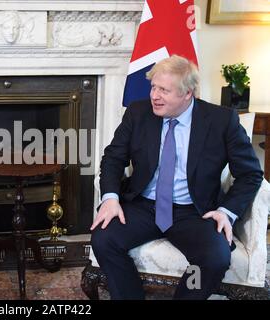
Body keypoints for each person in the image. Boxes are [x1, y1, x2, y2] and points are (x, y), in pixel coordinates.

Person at [90, 55, 263, 300]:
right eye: (153, 87)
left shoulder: (222, 121)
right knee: (104, 239)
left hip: (195, 211)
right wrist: (110, 197)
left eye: (164, 90)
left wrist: (226, 211)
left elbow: (250, 174)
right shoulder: (138, 113)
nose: (154, 96)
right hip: (144, 205)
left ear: (187, 93)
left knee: (214, 259)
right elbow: (113, 158)